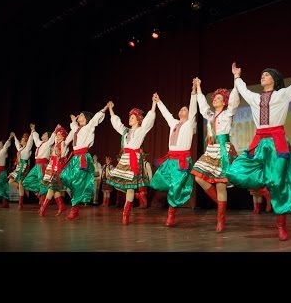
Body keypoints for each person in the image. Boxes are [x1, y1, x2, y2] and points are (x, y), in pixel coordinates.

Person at [227, 51, 291, 241]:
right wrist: (236, 76)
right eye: (262, 74)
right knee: (234, 172)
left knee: (279, 182)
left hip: (277, 143)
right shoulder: (255, 98)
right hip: (258, 143)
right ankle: (266, 190)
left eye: (267, 74)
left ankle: (281, 225)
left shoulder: (283, 94)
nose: (263, 76)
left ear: (274, 79)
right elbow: (241, 89)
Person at [190, 77, 240, 232]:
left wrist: (236, 80)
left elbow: (234, 101)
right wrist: (198, 86)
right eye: (215, 98)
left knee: (220, 184)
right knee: (198, 176)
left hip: (223, 150)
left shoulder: (227, 114)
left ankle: (220, 220)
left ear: (224, 102)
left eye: (219, 98)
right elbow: (202, 104)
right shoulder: (210, 116)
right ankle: (220, 204)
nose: (215, 100)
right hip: (211, 149)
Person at [150, 80, 197, 227]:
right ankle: (169, 201)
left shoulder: (190, 124)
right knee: (158, 180)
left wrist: (194, 92)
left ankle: (171, 214)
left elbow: (193, 108)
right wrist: (158, 102)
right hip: (170, 159)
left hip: (181, 160)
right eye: (181, 109)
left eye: (185, 110)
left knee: (176, 187)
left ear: (189, 115)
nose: (183, 110)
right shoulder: (174, 123)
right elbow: (165, 114)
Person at [106, 97, 157, 225]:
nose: (130, 119)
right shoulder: (125, 131)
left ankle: (125, 214)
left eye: (132, 117)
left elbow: (149, 119)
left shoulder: (141, 130)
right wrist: (111, 109)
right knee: (118, 183)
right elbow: (116, 123)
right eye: (130, 117)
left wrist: (154, 104)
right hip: (124, 159)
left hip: (134, 159)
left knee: (129, 187)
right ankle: (136, 196)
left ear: (138, 120)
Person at [60, 106, 108, 220]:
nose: (79, 116)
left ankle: (74, 209)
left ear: (86, 119)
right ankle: (77, 200)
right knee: (64, 176)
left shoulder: (89, 127)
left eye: (81, 115)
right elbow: (73, 127)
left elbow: (96, 118)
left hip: (82, 157)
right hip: (75, 157)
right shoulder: (76, 128)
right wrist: (72, 120)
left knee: (76, 182)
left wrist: (105, 108)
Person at [22, 124, 55, 210]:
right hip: (36, 165)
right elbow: (36, 138)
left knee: (43, 183)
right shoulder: (39, 143)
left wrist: (55, 130)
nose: (42, 135)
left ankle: (42, 204)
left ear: (48, 137)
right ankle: (38, 192)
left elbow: (52, 139)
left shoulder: (48, 143)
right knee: (26, 182)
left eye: (44, 134)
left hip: (43, 165)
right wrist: (33, 130)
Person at [39, 126, 69, 216]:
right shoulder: (56, 144)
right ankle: (61, 206)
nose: (57, 136)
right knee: (55, 189)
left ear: (63, 136)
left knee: (51, 187)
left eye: (59, 135)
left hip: (58, 167)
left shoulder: (63, 143)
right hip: (52, 166)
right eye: (57, 135)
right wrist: (56, 130)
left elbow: (62, 156)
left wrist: (57, 153)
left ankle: (43, 208)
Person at [8, 131, 33, 210]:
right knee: (10, 182)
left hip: (24, 166)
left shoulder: (28, 148)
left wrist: (32, 133)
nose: (21, 141)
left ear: (26, 141)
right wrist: (14, 136)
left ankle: (20, 203)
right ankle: (24, 189)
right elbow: (17, 144)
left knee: (20, 183)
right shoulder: (21, 148)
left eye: (22, 140)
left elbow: (30, 142)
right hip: (19, 167)